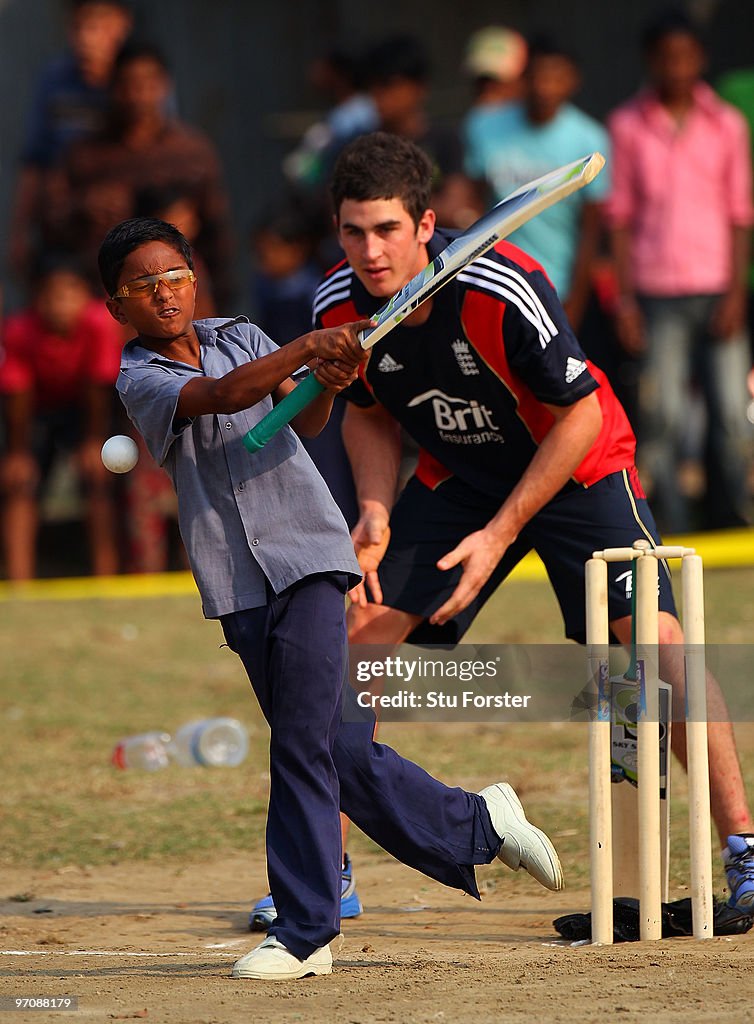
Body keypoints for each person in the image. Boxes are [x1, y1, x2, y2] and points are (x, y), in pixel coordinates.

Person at [248, 131, 754, 927]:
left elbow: (579, 415)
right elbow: (371, 420)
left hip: (579, 467)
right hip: (458, 478)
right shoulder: (336, 306)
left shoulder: (500, 286)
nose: (370, 252)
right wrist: (375, 509)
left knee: (655, 643)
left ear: (424, 224)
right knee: (353, 642)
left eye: (386, 230)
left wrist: (499, 535)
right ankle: (325, 870)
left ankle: (746, 851)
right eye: (353, 232)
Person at [99, 216, 563, 981]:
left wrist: (325, 382)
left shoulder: (242, 333)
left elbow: (304, 417)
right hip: (238, 581)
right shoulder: (140, 377)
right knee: (335, 745)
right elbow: (219, 397)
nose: (164, 295)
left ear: (194, 273)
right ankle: (477, 824)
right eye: (142, 287)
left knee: (301, 746)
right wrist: (310, 347)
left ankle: (307, 929)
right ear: (118, 307)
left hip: (311, 557)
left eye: (173, 276)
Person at [605, 9, 753, 532]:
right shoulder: (626, 124)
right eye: (667, 57)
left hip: (717, 285)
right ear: (651, 61)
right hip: (657, 288)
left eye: (686, 56)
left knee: (734, 411)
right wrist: (624, 301)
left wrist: (738, 291)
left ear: (701, 60)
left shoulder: (727, 125)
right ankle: (665, 518)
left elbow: (740, 214)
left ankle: (733, 512)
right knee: (662, 413)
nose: (677, 67)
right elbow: (619, 218)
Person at [62, 41, 235, 307]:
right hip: (109, 301)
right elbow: (53, 226)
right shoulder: (87, 155)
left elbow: (217, 231)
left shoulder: (190, 152)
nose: (138, 94)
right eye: (129, 84)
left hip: (179, 298)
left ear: (165, 85)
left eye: (149, 83)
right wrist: (86, 207)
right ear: (113, 87)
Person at [464, 35, 609, 332]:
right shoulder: (484, 126)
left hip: (558, 287)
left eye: (556, 76)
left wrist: (576, 303)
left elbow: (591, 230)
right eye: (538, 76)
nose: (545, 86)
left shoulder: (589, 139)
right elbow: (472, 205)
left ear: (573, 81)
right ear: (523, 78)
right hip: (497, 283)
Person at [0, 255, 121, 579]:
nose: (60, 304)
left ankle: (105, 577)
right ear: (37, 297)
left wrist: (93, 441)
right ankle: (19, 583)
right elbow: (17, 397)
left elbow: (98, 388)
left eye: (70, 293)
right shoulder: (19, 331)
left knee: (97, 479)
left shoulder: (98, 323)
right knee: (19, 483)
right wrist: (18, 453)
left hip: (88, 413)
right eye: (51, 295)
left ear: (86, 295)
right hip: (37, 416)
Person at [8, 0, 134, 285]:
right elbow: (35, 161)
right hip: (66, 234)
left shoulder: (140, 77)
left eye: (98, 26)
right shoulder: (55, 81)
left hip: (127, 228)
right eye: (78, 27)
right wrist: (19, 232)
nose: (86, 39)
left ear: (123, 25)